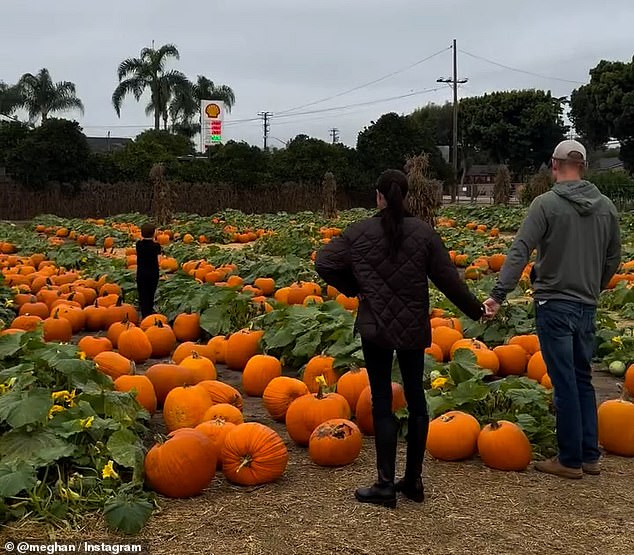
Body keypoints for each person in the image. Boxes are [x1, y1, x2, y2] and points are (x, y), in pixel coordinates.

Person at [315, 169, 485, 508]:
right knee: (417, 400)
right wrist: (476, 310)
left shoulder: (358, 232)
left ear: (378, 195)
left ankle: (385, 484)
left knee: (381, 401)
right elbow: (448, 280)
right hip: (411, 326)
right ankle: (414, 481)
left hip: (375, 326)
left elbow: (323, 262)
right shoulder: (424, 234)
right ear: (404, 196)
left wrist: (356, 287)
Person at [484, 139, 621, 479]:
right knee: (583, 378)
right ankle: (589, 455)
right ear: (584, 166)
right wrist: (596, 285)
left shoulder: (545, 204)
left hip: (554, 303)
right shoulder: (606, 207)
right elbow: (614, 257)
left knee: (564, 383)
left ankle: (570, 459)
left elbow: (520, 250)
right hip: (587, 305)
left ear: (554, 164)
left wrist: (499, 293)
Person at [136, 222, 162, 318]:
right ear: (154, 233)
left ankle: (144, 313)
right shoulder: (156, 246)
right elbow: (159, 259)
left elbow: (140, 240)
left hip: (141, 273)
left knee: (142, 293)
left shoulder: (139, 245)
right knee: (151, 292)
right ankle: (149, 312)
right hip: (153, 273)